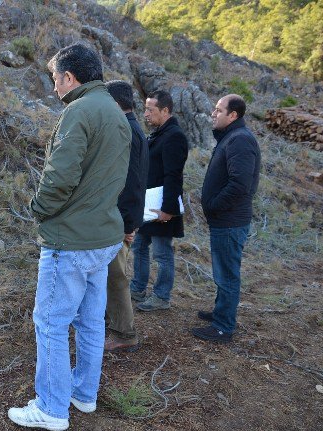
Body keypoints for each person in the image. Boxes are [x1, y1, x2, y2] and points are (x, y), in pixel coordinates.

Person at [7, 44, 131, 431]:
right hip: (104, 236)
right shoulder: (115, 111)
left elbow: (59, 177)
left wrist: (39, 209)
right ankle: (82, 393)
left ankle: (51, 408)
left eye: (55, 79)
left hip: (72, 240)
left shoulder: (77, 112)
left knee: (51, 323)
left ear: (69, 77)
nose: (55, 87)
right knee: (92, 322)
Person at [192, 94, 261, 343]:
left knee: (227, 275)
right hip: (226, 220)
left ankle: (223, 327)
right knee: (224, 272)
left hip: (230, 221)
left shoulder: (239, 140)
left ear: (233, 115)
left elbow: (240, 185)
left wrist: (213, 205)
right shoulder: (232, 137)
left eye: (219, 110)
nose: (213, 113)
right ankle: (221, 313)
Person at [130, 90, 188, 312]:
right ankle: (137, 288)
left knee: (162, 253)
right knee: (140, 246)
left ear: (165, 111)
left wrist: (168, 210)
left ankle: (162, 296)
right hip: (147, 205)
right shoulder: (159, 133)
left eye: (150, 110)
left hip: (162, 206)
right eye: (145, 109)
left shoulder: (174, 136)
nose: (145, 114)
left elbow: (174, 175)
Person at [103, 81, 149, 352]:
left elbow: (131, 182)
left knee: (115, 276)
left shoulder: (128, 131)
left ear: (115, 103)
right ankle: (112, 324)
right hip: (124, 217)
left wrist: (127, 223)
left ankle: (124, 333)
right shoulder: (133, 129)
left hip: (121, 221)